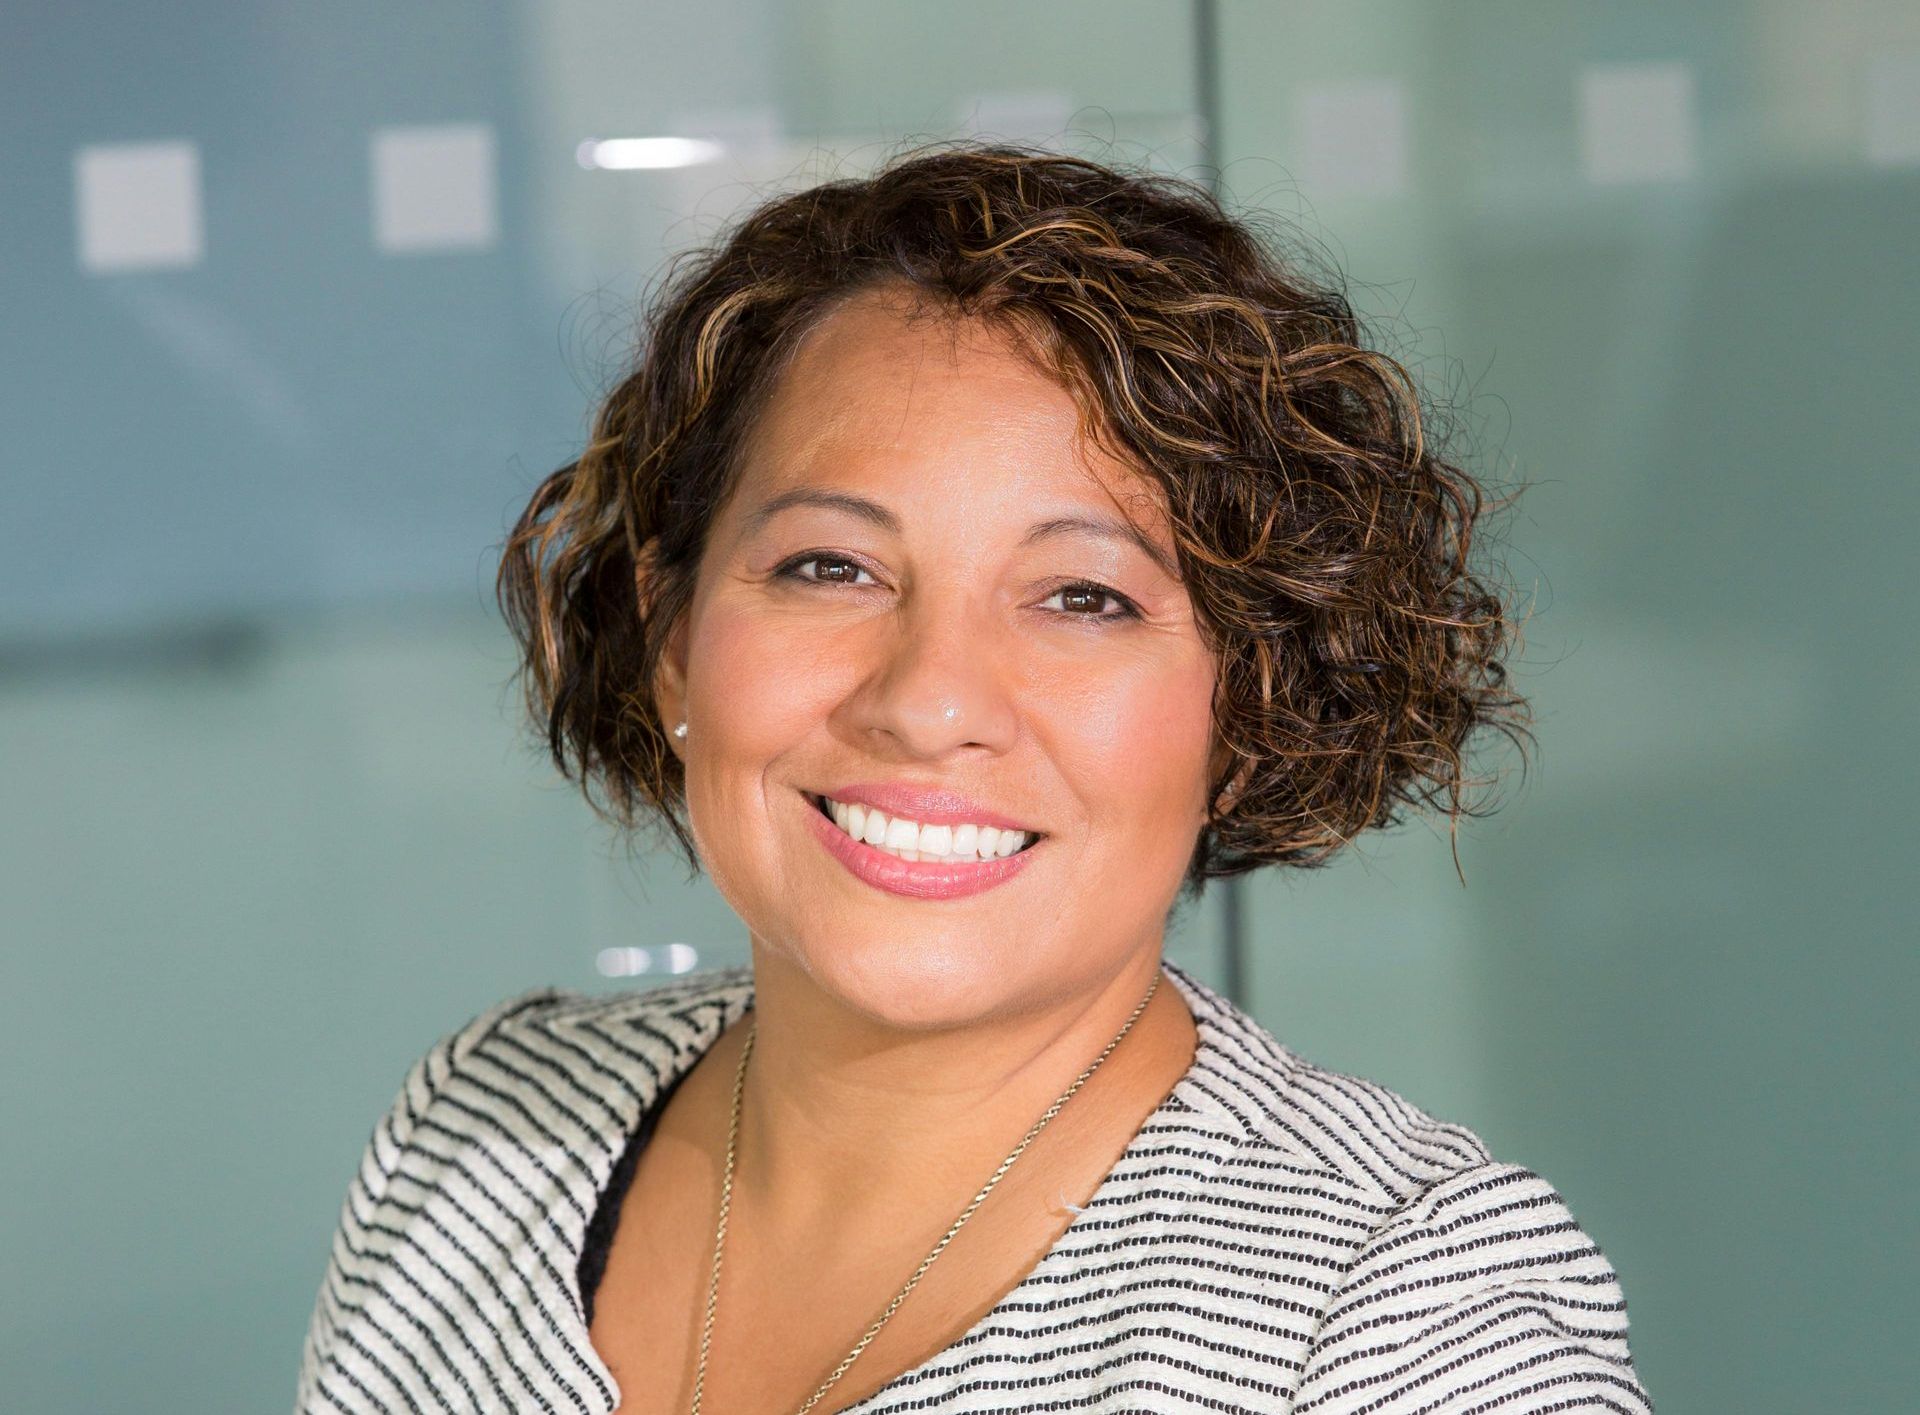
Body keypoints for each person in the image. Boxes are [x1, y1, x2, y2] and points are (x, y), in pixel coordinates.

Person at [295, 141, 1651, 1413]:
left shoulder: (1402, 1314)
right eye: (830, 567)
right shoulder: (482, 1132)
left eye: (1080, 597)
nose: (929, 700)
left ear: (1250, 711)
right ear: (669, 641)